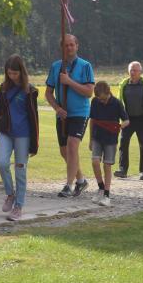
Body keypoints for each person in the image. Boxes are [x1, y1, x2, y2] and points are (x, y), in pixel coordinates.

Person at [0, 55, 39, 221]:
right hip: (5, 133)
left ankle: (18, 206)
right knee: (2, 163)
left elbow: (34, 118)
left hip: (23, 136)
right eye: (9, 73)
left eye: (15, 73)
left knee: (20, 171)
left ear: (21, 72)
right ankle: (10, 194)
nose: (12, 76)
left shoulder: (30, 91)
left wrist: (34, 144)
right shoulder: (3, 88)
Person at [45, 34, 95, 197]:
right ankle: (81, 180)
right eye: (66, 45)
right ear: (62, 48)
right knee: (64, 151)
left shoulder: (85, 66)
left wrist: (69, 82)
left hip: (80, 113)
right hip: (63, 114)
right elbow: (48, 93)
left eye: (72, 45)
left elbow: (89, 92)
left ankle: (68, 185)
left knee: (73, 146)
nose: (69, 48)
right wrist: (57, 108)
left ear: (77, 46)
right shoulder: (55, 67)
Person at [115, 61, 143, 180]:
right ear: (128, 71)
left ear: (140, 72)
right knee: (123, 143)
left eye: (135, 70)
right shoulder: (123, 85)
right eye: (131, 70)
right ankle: (122, 169)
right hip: (127, 119)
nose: (133, 72)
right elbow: (119, 103)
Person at [88, 81, 129, 207]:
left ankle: (107, 195)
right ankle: (100, 187)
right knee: (95, 162)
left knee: (107, 165)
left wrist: (119, 126)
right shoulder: (95, 102)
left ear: (108, 92)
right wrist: (90, 139)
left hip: (111, 139)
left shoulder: (117, 103)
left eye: (104, 99)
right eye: (100, 100)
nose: (103, 102)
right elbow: (92, 120)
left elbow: (126, 120)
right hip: (97, 137)